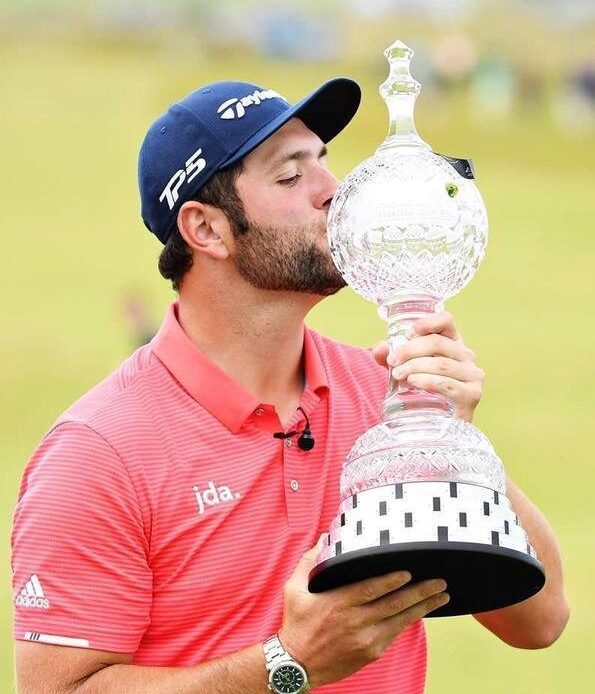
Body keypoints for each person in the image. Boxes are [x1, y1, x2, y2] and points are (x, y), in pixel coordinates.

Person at [12, 77, 569, 694]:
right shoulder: (98, 453)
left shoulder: (383, 394)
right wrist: (286, 664)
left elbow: (539, 619)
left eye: (325, 163)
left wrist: (451, 437)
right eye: (290, 176)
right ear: (207, 230)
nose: (334, 192)